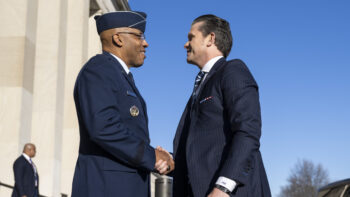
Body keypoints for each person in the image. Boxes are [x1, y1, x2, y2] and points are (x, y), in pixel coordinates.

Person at [71, 11, 174, 197]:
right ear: (118, 39)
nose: (145, 43)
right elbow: (103, 126)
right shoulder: (99, 69)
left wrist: (162, 158)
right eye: (139, 36)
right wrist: (152, 156)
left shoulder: (118, 74)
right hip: (106, 188)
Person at [172, 14, 271, 197]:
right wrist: (169, 160)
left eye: (191, 38)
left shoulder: (232, 71)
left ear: (210, 38)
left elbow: (248, 131)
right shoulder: (200, 87)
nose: (185, 44)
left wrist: (224, 186)